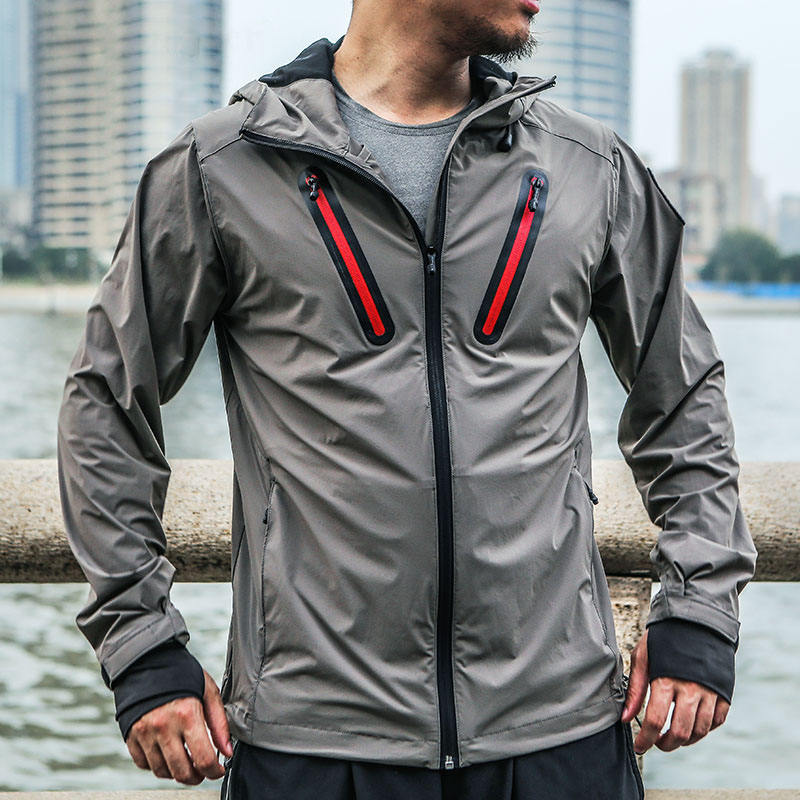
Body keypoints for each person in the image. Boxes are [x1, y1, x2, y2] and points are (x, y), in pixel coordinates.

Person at [56, 1, 758, 797]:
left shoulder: (588, 167)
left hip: (559, 736)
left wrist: (699, 609)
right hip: (314, 742)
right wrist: (143, 646)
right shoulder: (223, 167)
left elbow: (684, 394)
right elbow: (105, 404)